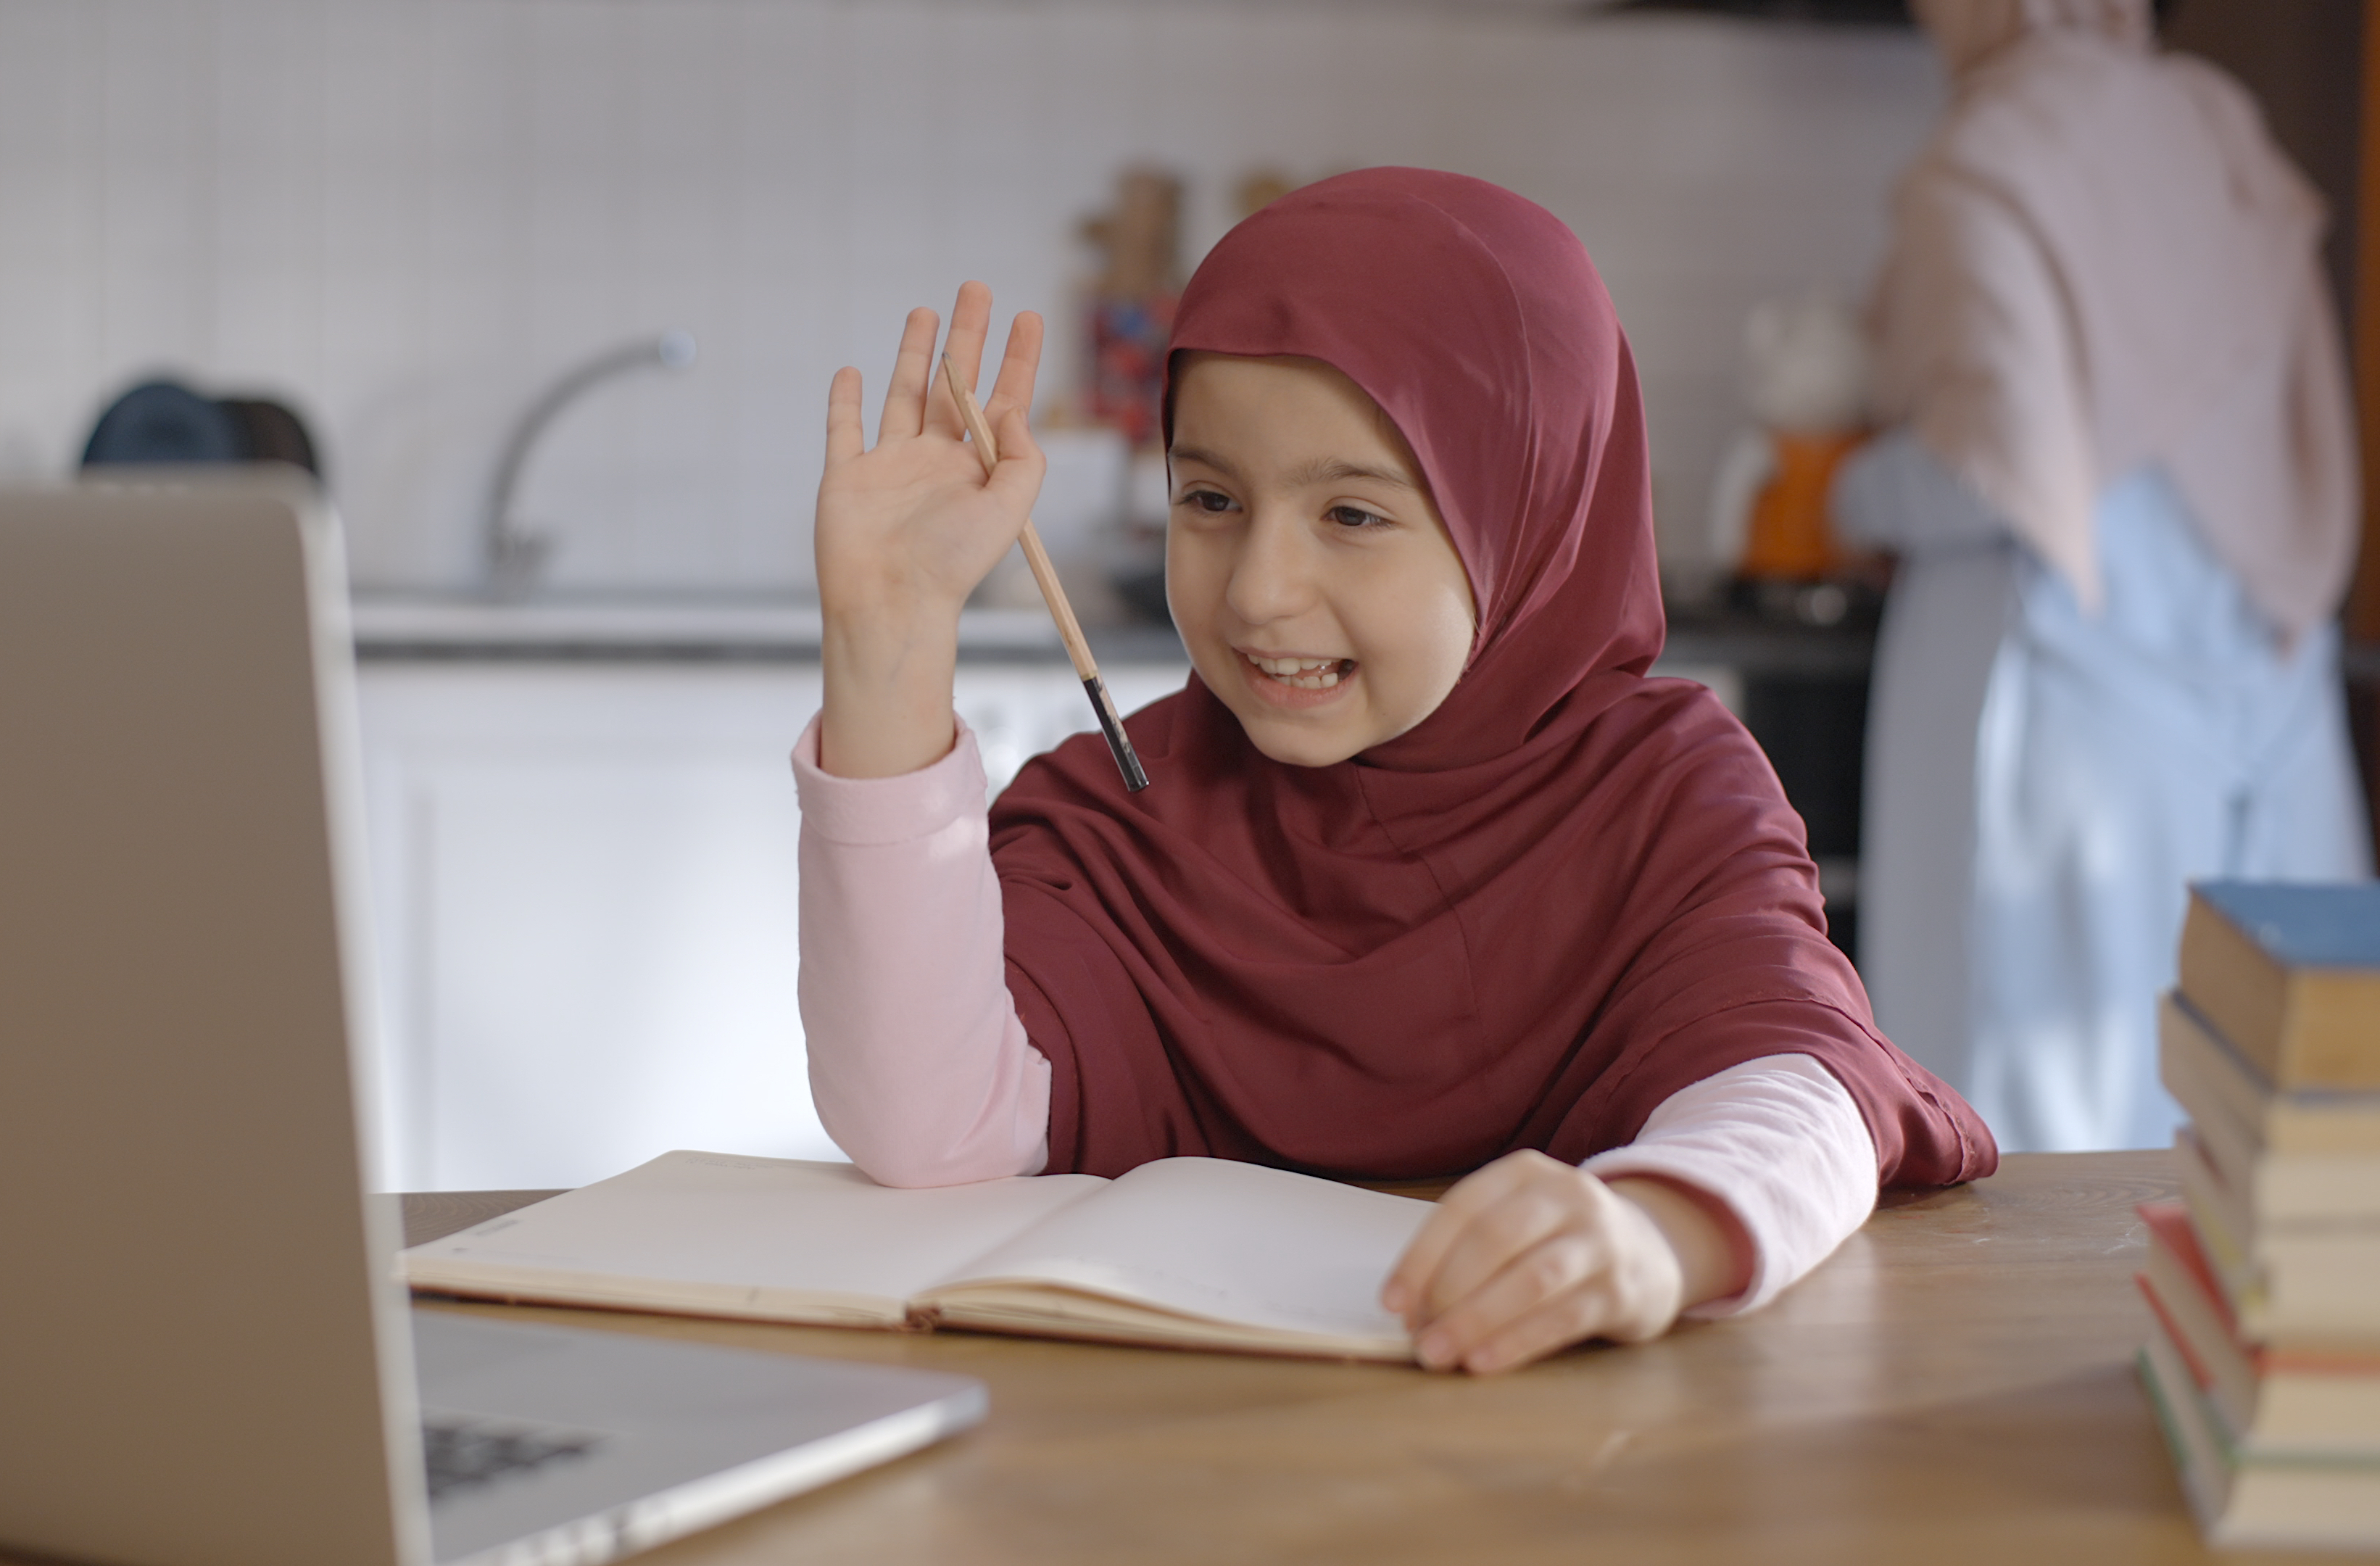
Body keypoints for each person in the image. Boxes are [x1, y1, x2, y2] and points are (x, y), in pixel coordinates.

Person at [799, 169, 1993, 1375]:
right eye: (1209, 498)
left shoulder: (1666, 791)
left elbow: (1804, 1084)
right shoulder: (1117, 810)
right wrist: (886, 648)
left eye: (1353, 517)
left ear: (1527, 516)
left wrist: (1656, 1232)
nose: (1260, 590)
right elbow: (930, 1126)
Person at [1838, 0, 2371, 1154]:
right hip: (2266, 699)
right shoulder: (2219, 135)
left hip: (2062, 706)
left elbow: (1991, 474)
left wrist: (1851, 488)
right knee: (2253, 1146)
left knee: (2025, 1142)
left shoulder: (1988, 162)